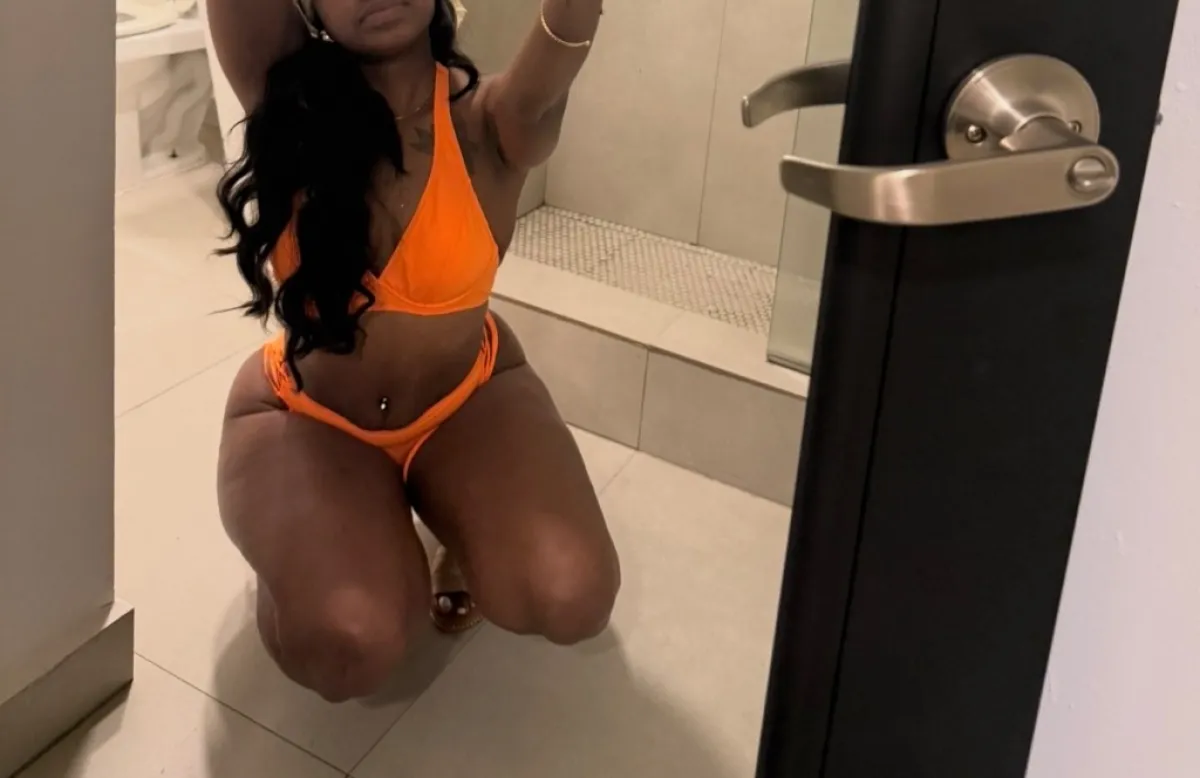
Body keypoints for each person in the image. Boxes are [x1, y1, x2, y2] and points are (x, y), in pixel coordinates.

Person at [209, 0, 618, 703]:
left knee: (570, 594)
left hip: (466, 399)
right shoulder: (283, 94)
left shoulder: (495, 122)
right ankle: (314, 544)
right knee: (348, 642)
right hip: (311, 415)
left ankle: (452, 519)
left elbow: (570, 27)